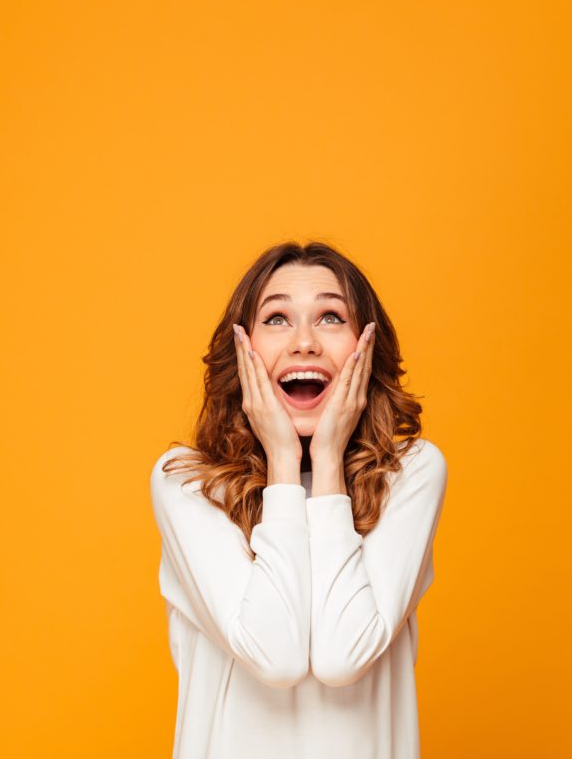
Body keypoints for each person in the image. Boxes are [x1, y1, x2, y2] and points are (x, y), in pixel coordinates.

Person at [150, 240, 448, 758]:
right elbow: (277, 656)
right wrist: (283, 464)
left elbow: (341, 655)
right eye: (277, 319)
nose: (305, 342)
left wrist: (328, 460)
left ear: (365, 347)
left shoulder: (411, 474)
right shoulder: (188, 486)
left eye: (331, 317)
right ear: (242, 351)